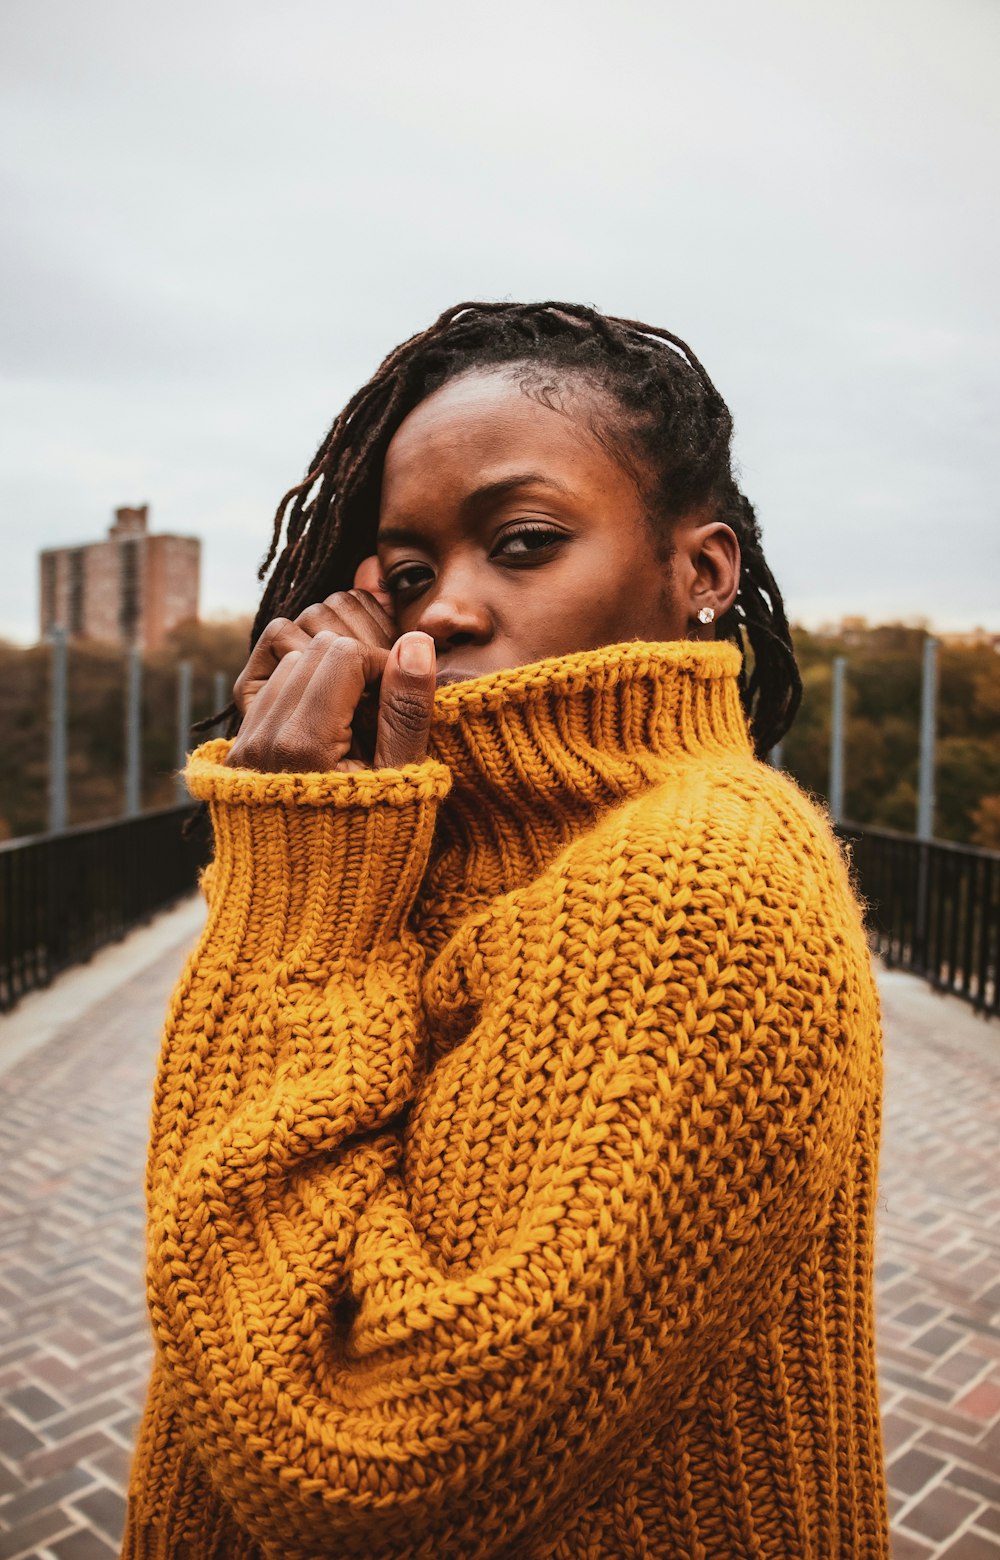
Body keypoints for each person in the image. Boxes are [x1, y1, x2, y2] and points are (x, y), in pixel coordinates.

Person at [124, 302, 888, 1558]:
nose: (448, 614)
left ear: (701, 572)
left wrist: (301, 894)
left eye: (524, 543)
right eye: (409, 577)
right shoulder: (422, 832)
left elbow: (361, 1458)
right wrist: (334, 840)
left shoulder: (703, 873)